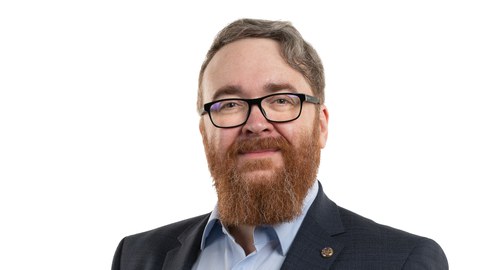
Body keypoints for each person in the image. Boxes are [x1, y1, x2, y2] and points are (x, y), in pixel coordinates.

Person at [111, 18, 448, 270]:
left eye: (282, 101)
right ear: (204, 133)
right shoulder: (138, 256)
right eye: (229, 104)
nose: (256, 124)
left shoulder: (401, 261)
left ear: (321, 127)